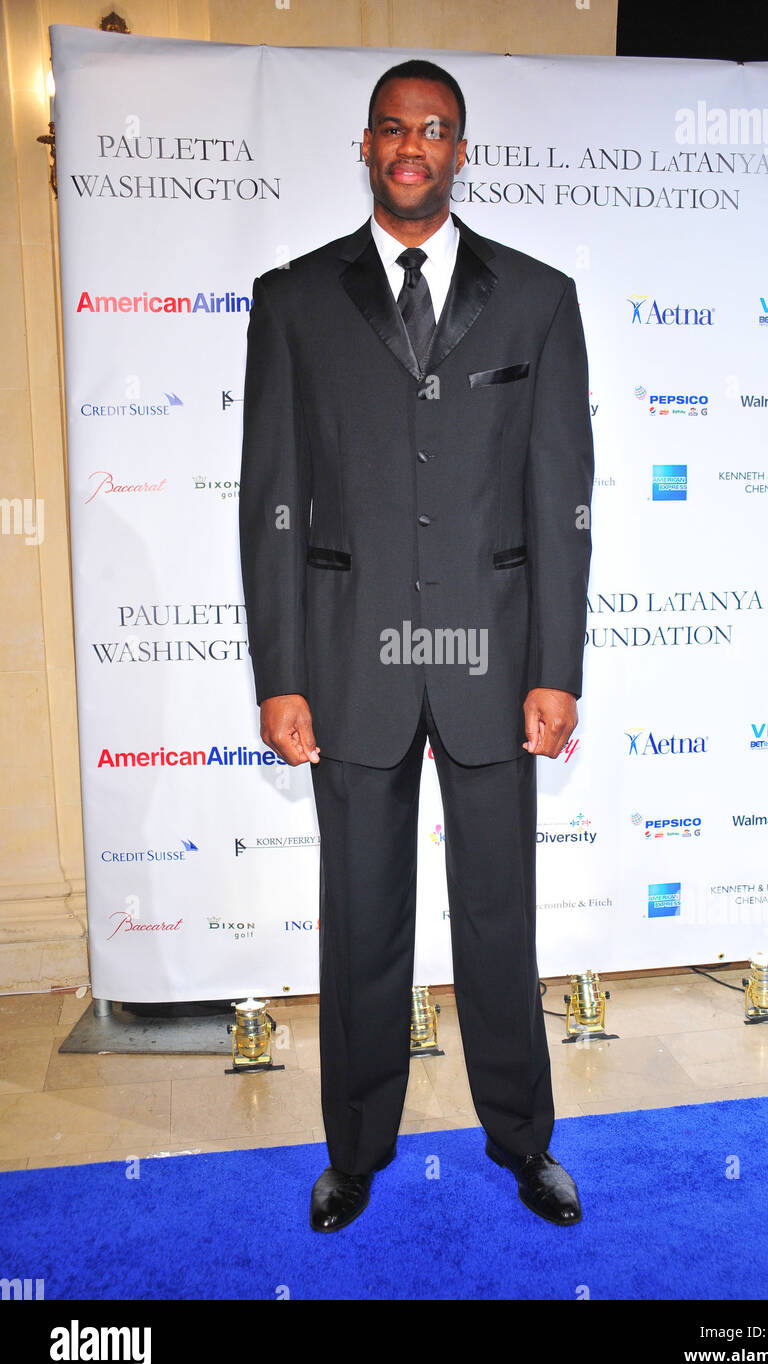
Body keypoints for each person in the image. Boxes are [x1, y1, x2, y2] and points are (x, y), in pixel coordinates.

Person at [239, 58, 594, 1232]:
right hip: (349, 662)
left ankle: (522, 1139)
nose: (411, 146)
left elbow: (556, 495)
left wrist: (555, 667)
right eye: (393, 128)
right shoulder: (292, 301)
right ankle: (355, 1147)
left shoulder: (539, 298)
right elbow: (272, 500)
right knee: (360, 918)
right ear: (365, 143)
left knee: (501, 914)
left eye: (432, 129)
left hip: (496, 661)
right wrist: (280, 673)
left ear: (458, 148)